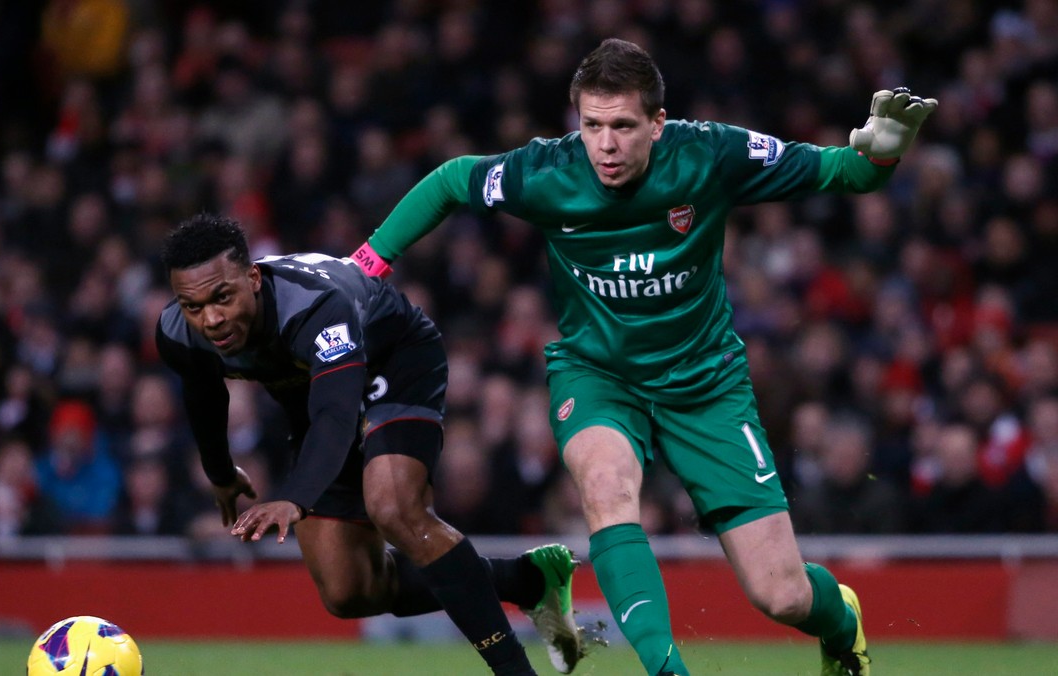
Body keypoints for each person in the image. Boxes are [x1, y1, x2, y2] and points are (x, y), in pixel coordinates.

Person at [350, 38, 937, 676]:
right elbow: (450, 180)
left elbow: (840, 171)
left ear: (658, 124)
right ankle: (665, 669)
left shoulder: (711, 154)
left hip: (706, 385)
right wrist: (367, 265)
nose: (605, 145)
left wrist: (879, 156)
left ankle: (840, 620)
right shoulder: (546, 171)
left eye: (623, 127)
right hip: (598, 374)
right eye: (592, 126)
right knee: (605, 487)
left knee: (782, 595)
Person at [155, 214, 582, 675]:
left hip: (394, 361)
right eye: (193, 306)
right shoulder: (178, 332)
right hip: (316, 394)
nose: (211, 319)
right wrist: (220, 473)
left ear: (253, 278)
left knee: (394, 506)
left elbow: (337, 415)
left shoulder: (315, 308)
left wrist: (297, 497)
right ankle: (528, 579)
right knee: (349, 591)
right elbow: (203, 394)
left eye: (222, 297)